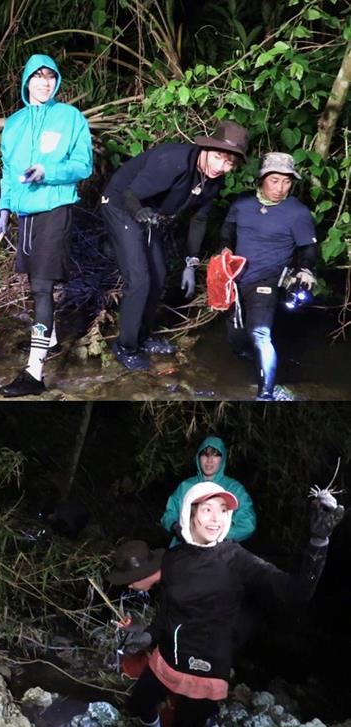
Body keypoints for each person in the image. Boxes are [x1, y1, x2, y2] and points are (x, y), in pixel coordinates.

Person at [109, 480, 343, 727]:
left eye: (222, 510)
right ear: (191, 513)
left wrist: (318, 542)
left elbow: (296, 593)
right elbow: (168, 614)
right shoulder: (175, 560)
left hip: (205, 669)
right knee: (141, 701)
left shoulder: (237, 560)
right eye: (206, 508)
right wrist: (146, 635)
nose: (215, 517)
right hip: (166, 658)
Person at [100, 120, 249, 370]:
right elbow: (130, 194)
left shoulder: (213, 181)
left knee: (159, 276)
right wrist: (139, 214)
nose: (221, 167)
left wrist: (191, 262)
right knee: (139, 280)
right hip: (121, 205)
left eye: (229, 164)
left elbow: (199, 219)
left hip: (150, 212)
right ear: (207, 149)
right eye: (218, 158)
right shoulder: (173, 160)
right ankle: (125, 346)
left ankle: (143, 336)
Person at [0, 54, 93, 397]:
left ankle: (34, 374)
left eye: (50, 76)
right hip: (26, 215)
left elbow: (84, 165)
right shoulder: (14, 123)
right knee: (34, 282)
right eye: (37, 76)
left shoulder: (70, 118)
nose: (44, 82)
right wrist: (5, 207)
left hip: (55, 209)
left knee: (41, 287)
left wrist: (47, 172)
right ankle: (47, 338)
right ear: (26, 81)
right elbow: (7, 170)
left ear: (57, 81)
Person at [220, 152, 318, 400]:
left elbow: (308, 247)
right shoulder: (241, 204)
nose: (280, 188)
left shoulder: (298, 213)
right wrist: (225, 247)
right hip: (235, 279)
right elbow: (228, 229)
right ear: (262, 178)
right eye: (274, 180)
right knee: (235, 338)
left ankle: (266, 393)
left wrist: (305, 269)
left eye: (287, 182)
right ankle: (253, 367)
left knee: (260, 332)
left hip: (268, 281)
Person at [161, 436, 255, 545]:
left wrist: (217, 535)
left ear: (222, 459)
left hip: (219, 552)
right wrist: (176, 527)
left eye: (215, 455)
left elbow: (248, 524)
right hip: (184, 548)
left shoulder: (234, 489)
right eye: (205, 455)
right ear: (198, 458)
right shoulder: (185, 486)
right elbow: (169, 514)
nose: (209, 460)